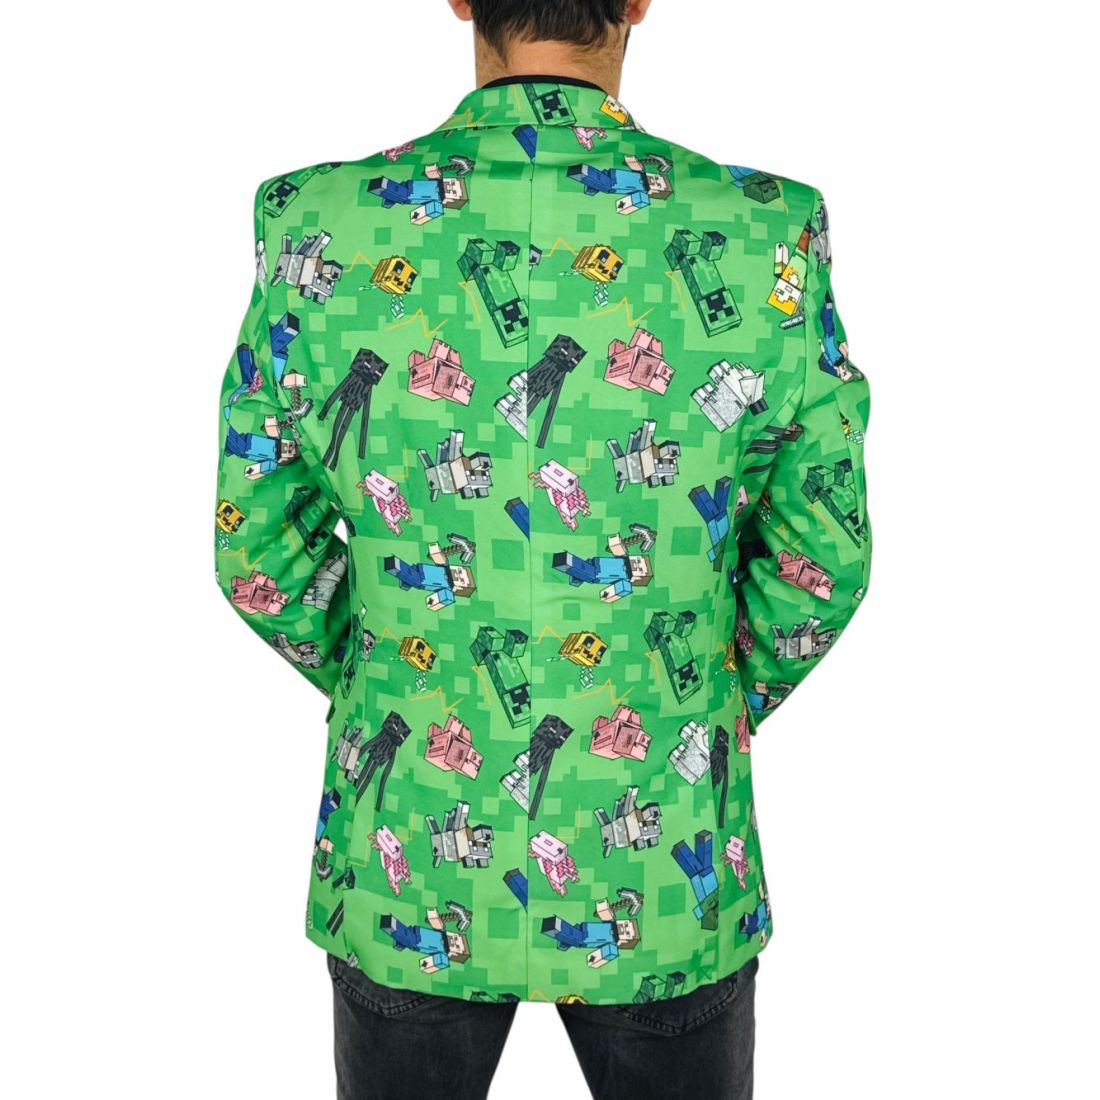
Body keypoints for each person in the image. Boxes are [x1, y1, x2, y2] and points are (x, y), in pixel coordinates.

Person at [211, 1, 873, 1096]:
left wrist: (394, 676)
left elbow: (258, 547)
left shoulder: (314, 222)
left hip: (410, 850)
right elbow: (820, 557)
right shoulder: (766, 231)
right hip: (663, 861)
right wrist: (694, 694)